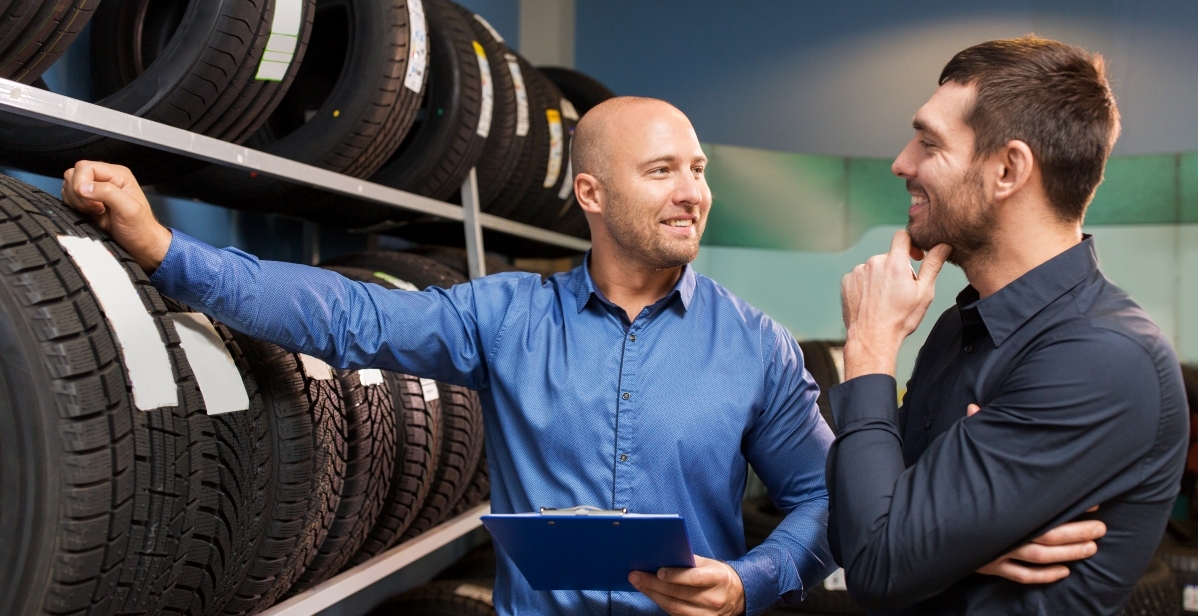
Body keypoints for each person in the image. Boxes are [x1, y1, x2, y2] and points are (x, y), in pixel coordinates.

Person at [60, 96, 837, 615]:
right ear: (593, 195)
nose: (692, 192)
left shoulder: (754, 344)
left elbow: (826, 499)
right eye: (662, 171)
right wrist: (164, 248)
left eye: (698, 170)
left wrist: (748, 582)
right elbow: (349, 315)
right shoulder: (507, 317)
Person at [828, 37, 1189, 614]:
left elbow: (877, 561)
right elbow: (854, 524)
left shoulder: (1102, 356)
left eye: (928, 143)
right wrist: (956, 540)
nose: (902, 163)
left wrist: (870, 348)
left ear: (1007, 169)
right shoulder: (957, 327)